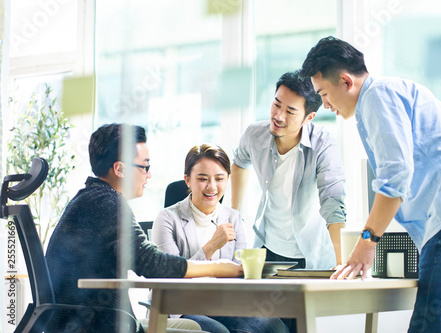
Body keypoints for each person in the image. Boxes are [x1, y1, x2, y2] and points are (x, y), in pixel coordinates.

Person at [300, 36, 441, 333]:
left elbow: (396, 175)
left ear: (345, 80)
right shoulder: (396, 91)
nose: (326, 105)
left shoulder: (377, 96)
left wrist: (367, 242)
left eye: (324, 94)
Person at [46, 124, 242, 333]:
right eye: (144, 167)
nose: (148, 175)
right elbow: (151, 263)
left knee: (196, 327)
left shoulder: (92, 197)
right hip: (92, 325)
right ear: (120, 169)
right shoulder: (107, 204)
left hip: (90, 320)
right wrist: (217, 266)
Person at [152, 143, 289, 333]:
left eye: (219, 178)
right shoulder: (167, 219)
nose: (212, 187)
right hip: (181, 306)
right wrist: (211, 246)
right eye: (202, 179)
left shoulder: (233, 218)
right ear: (188, 180)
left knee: (274, 326)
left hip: (224, 304)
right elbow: (172, 276)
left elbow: (239, 271)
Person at [231, 70, 347, 270]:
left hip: (310, 254)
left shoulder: (324, 145)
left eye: (290, 111)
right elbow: (240, 163)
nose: (278, 116)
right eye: (276, 104)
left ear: (308, 117)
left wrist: (341, 263)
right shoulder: (254, 135)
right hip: (267, 249)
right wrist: (235, 215)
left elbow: (333, 204)